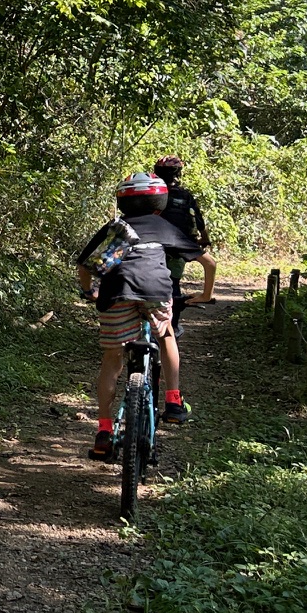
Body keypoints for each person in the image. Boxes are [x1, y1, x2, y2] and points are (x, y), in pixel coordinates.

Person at [73, 173, 197, 460]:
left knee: (113, 358)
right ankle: (174, 400)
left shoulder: (115, 228)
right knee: (166, 336)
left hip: (116, 295)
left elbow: (86, 265)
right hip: (156, 293)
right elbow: (206, 260)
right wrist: (204, 293)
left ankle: (104, 429)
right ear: (159, 204)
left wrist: (89, 291)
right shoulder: (164, 226)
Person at [153, 155, 217, 304]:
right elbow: (198, 219)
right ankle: (174, 319)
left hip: (154, 241)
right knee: (174, 280)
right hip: (181, 244)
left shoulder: (155, 193)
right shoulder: (185, 195)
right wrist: (204, 238)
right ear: (178, 173)